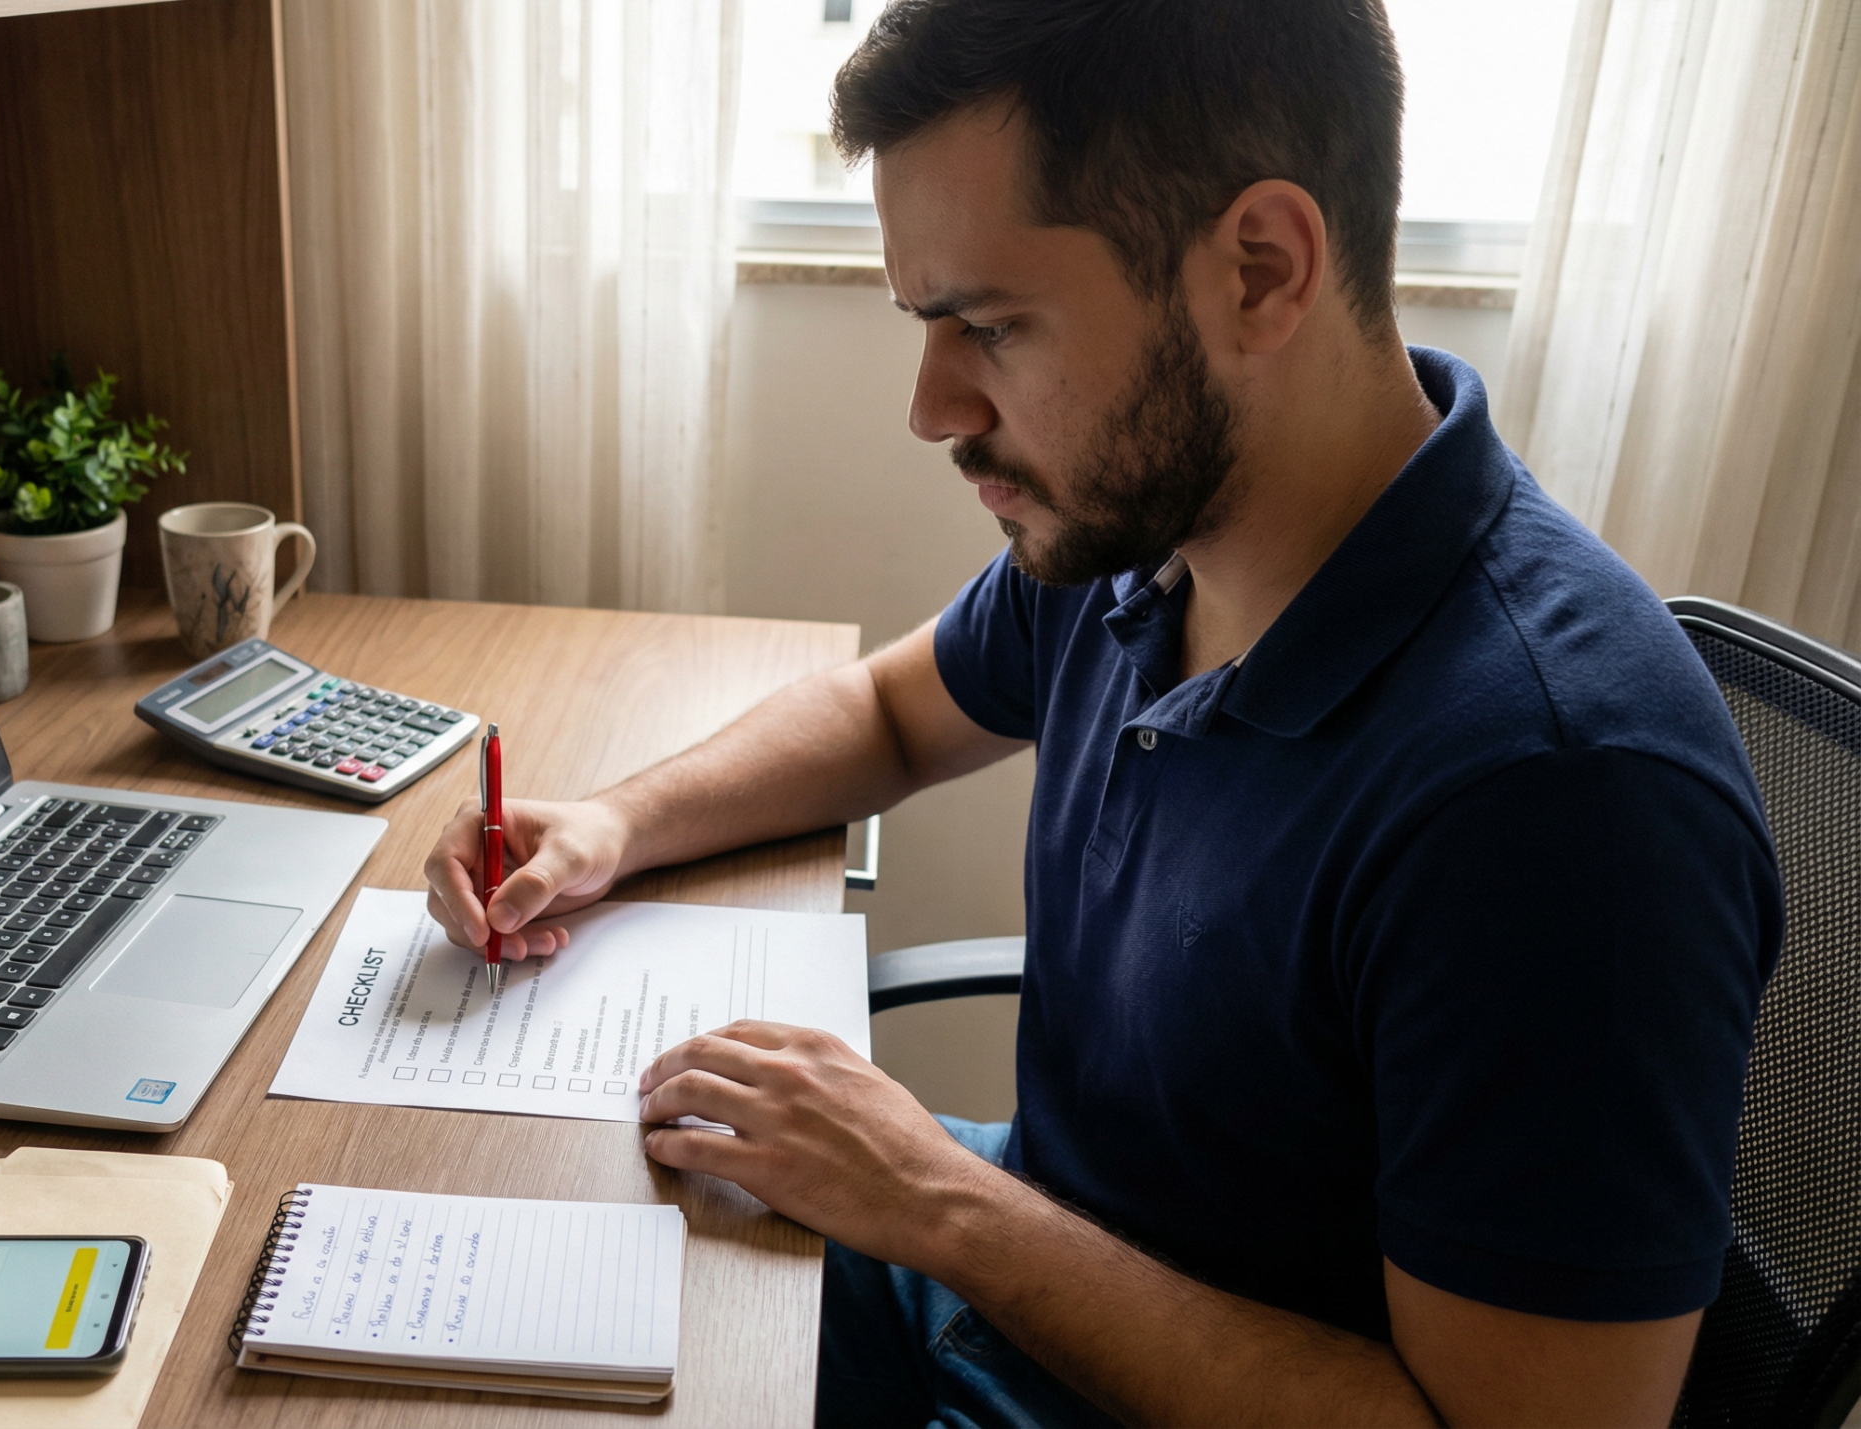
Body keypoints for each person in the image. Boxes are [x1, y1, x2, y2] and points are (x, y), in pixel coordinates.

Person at [421, 0, 1781, 1424]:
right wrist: (612, 821)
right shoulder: (1150, 529)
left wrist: (942, 1204)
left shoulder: (1562, 800)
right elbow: (893, 715)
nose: (935, 406)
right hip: (1017, 1279)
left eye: (991, 326)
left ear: (1261, 269)